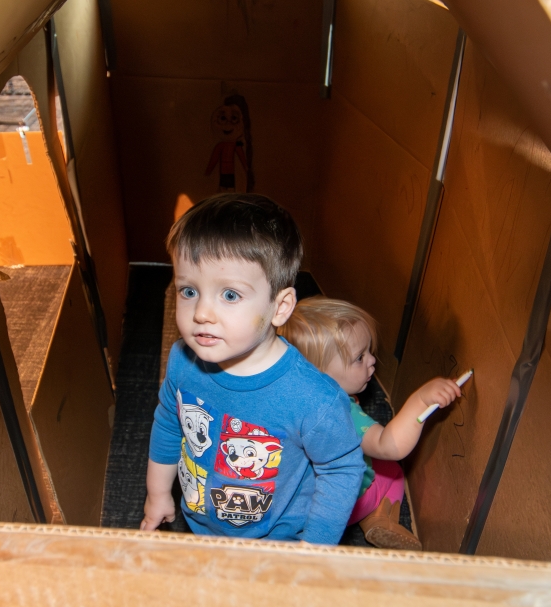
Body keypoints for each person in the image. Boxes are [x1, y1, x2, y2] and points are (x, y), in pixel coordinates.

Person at [141, 194, 364, 544]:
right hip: (199, 523)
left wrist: (316, 548)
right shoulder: (183, 361)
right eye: (189, 290)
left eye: (229, 295)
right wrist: (157, 494)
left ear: (280, 306)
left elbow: (341, 468)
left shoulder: (312, 399)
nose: (202, 313)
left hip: (275, 540)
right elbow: (169, 421)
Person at [281, 297, 464, 550]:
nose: (372, 361)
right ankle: (377, 516)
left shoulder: (284, 400)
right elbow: (389, 445)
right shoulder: (339, 412)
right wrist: (421, 400)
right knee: (391, 471)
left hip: (291, 504)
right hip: (337, 508)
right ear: (321, 374)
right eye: (359, 357)